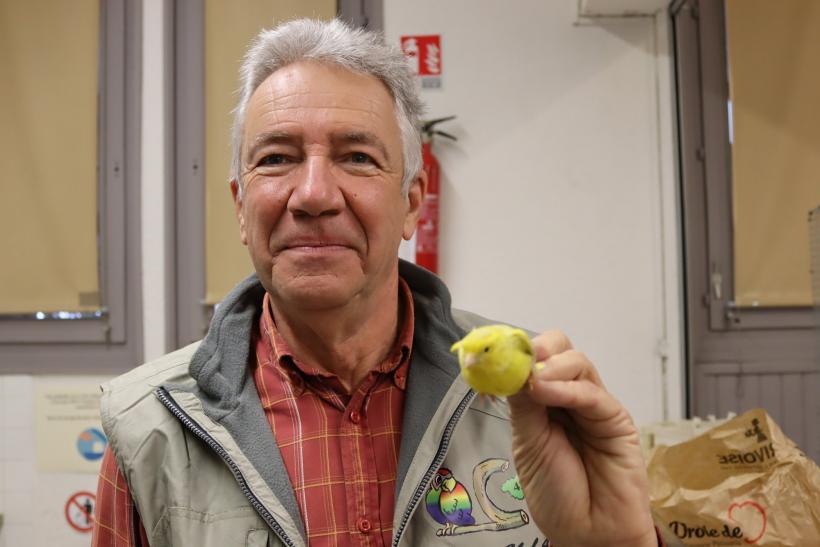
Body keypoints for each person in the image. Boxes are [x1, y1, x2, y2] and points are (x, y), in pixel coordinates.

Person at [92, 18, 660, 547]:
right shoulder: (150, 429)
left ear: (411, 202)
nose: (313, 194)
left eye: (357, 157)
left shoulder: (531, 397)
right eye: (277, 158)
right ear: (242, 207)